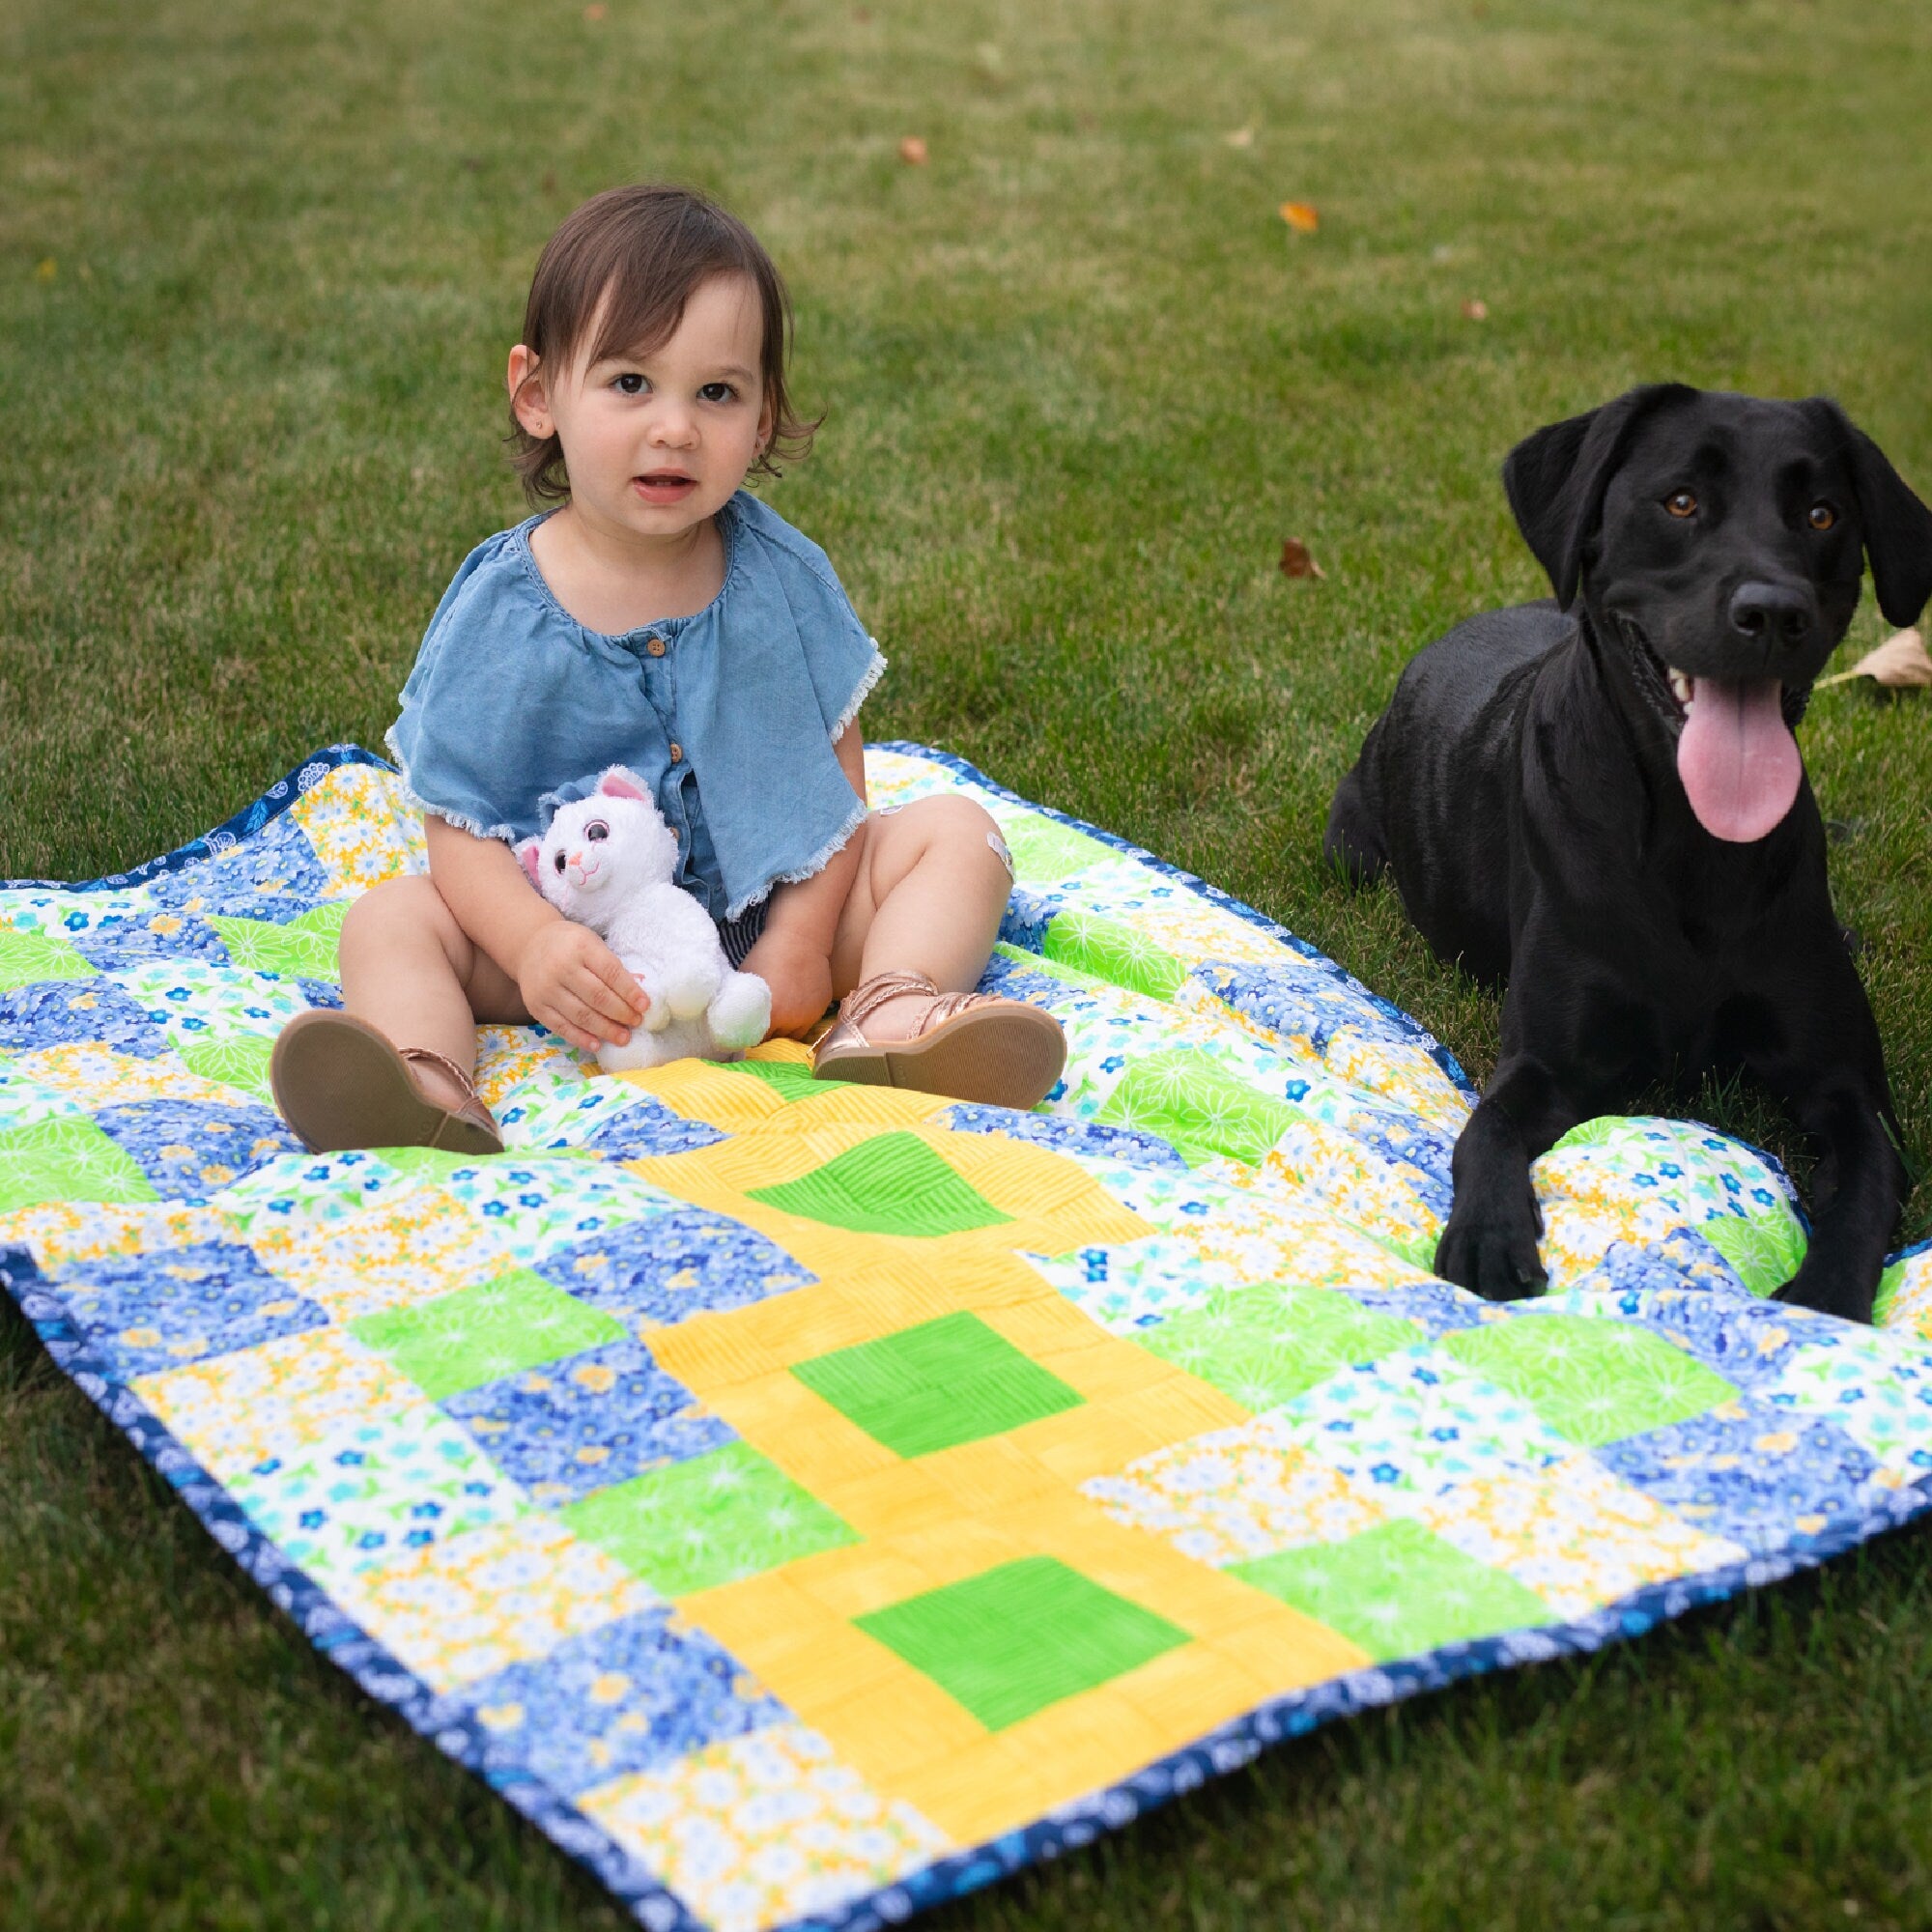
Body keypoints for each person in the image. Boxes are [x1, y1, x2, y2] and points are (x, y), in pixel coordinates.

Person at [270, 184, 1065, 1157]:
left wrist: (802, 946)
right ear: (537, 393)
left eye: (716, 393)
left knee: (957, 834)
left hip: (758, 935)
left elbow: (832, 779)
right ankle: (422, 1082)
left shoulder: (776, 576)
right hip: (578, 944)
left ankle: (889, 1012)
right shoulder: (500, 606)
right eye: (630, 384)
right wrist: (531, 947)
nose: (675, 427)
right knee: (391, 918)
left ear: (763, 417)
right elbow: (459, 821)